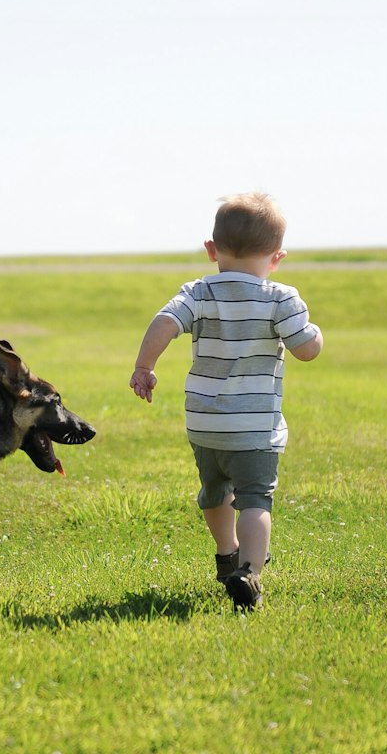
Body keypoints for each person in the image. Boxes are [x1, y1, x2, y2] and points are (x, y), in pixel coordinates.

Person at [130, 193, 322, 610]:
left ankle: (226, 553)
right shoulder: (280, 297)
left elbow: (165, 321)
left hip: (205, 424)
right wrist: (314, 333)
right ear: (277, 257)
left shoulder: (197, 291)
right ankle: (250, 572)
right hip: (254, 428)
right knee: (255, 500)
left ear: (212, 249)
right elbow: (306, 349)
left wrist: (145, 365)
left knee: (215, 493)